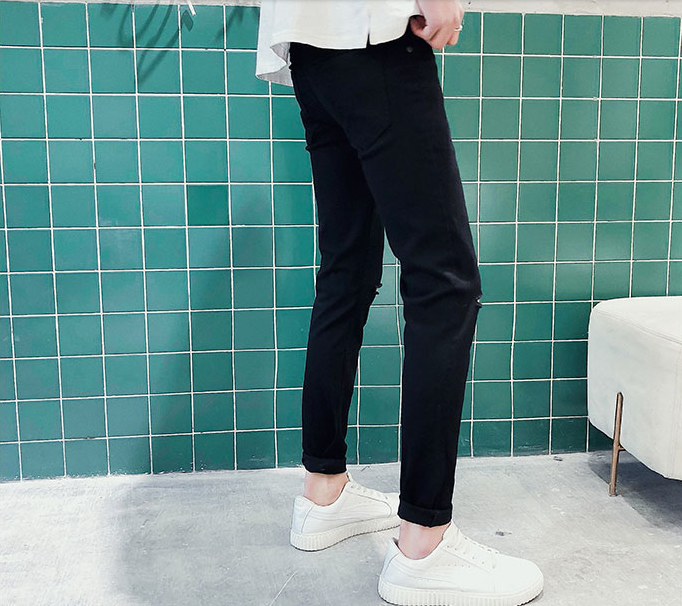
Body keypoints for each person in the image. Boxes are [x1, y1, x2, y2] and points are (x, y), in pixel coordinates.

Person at [255, 1, 544, 604]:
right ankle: (424, 543)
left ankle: (323, 493)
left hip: (308, 45)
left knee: (346, 272)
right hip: (373, 36)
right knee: (444, 284)